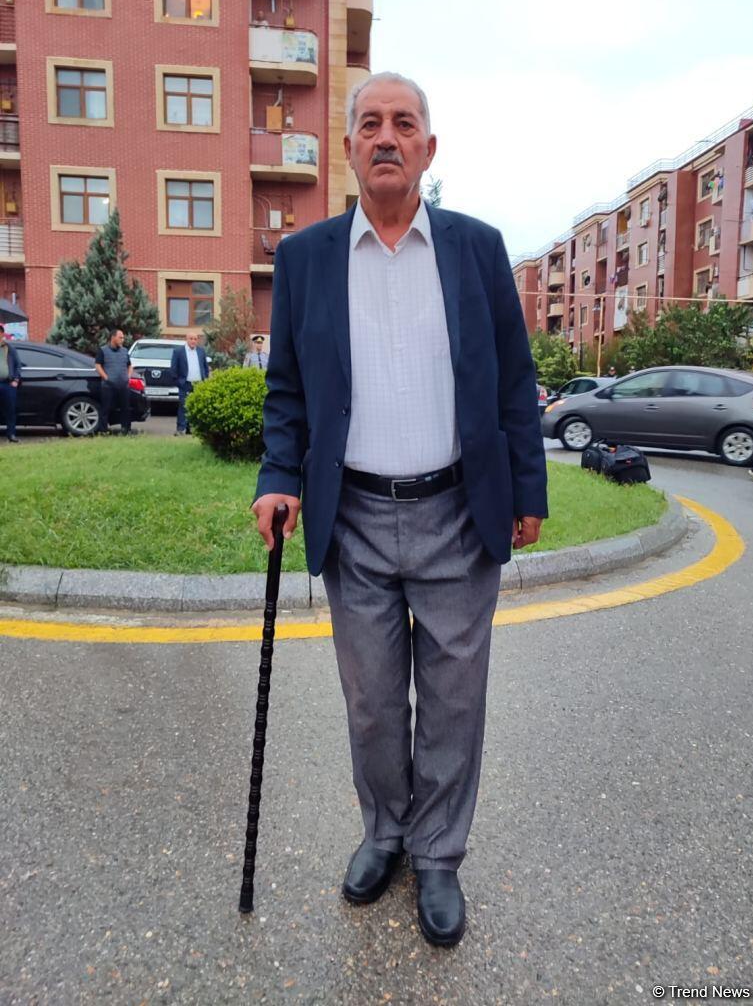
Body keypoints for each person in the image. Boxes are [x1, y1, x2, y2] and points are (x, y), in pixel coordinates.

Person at [251, 72, 548, 948]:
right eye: (371, 123)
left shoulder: (477, 249)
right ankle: (385, 833)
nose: (387, 136)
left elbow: (515, 379)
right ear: (348, 147)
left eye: (404, 123)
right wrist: (278, 476)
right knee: (374, 703)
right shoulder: (305, 259)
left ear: (428, 147)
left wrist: (527, 488)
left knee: (454, 700)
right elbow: (287, 391)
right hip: (354, 517)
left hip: (458, 510)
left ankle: (440, 854)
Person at [169, 332, 210, 435]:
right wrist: (179, 382)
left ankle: (191, 428)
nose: (193, 341)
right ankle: (181, 428)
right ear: (186, 339)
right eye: (191, 339)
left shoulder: (201, 351)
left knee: (196, 407)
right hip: (185, 384)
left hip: (198, 384)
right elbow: (173, 369)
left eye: (195, 339)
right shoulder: (179, 352)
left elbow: (205, 367)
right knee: (183, 406)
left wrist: (205, 378)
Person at [95, 328, 133, 435]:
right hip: (108, 386)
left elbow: (130, 365)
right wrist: (106, 378)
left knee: (125, 408)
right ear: (113, 338)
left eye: (123, 338)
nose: (122, 340)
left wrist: (128, 377)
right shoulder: (103, 350)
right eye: (120, 338)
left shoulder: (125, 351)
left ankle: (126, 429)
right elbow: (98, 365)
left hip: (123, 385)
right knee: (105, 409)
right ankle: (103, 431)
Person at [0, 322, 21, 442]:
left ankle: (11, 434)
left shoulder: (9, 348)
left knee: (10, 410)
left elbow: (18, 365)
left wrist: (16, 380)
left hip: (7, 384)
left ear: (2, 334)